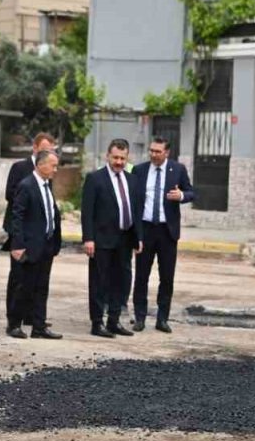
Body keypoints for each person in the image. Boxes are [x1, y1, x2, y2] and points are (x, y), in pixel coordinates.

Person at [131, 136, 195, 333]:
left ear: (166, 152)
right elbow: (133, 200)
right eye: (151, 150)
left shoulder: (177, 170)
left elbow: (192, 192)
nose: (153, 154)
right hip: (146, 230)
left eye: (158, 151)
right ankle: (140, 317)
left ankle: (162, 319)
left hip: (167, 232)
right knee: (141, 276)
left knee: (166, 277)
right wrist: (136, 233)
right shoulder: (139, 170)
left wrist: (181, 196)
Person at [81, 138, 142, 338]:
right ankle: (97, 323)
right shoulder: (95, 179)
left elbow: (136, 211)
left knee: (121, 282)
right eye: (115, 157)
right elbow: (87, 212)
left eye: (122, 158)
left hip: (124, 240)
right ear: (107, 156)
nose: (118, 162)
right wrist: (88, 238)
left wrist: (138, 237)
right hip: (101, 240)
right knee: (99, 282)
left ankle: (114, 321)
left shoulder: (132, 179)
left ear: (127, 157)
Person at [5, 150, 63, 340]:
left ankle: (39, 326)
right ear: (40, 165)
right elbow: (17, 216)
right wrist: (18, 244)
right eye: (53, 165)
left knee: (41, 287)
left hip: (46, 245)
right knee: (23, 286)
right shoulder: (27, 185)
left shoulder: (47, 185)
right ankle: (14, 324)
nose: (55, 169)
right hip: (29, 246)